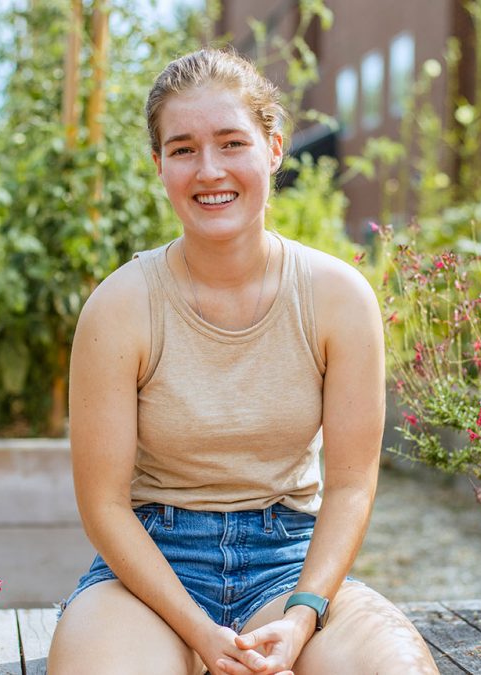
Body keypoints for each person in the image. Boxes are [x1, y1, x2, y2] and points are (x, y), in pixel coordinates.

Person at [48, 48, 440, 675]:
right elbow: (104, 506)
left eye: (232, 143)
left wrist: (304, 613)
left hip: (289, 565)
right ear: (159, 165)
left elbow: (349, 485)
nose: (209, 170)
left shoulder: (339, 299)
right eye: (182, 149)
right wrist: (200, 633)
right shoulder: (119, 308)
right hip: (150, 573)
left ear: (274, 148)